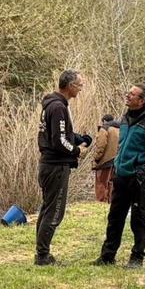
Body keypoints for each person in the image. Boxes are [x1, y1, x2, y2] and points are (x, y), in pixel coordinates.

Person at [94, 84, 145, 267]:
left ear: (142, 101)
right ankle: (107, 255)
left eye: (132, 94)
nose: (128, 96)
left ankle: (137, 256)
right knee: (115, 216)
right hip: (121, 175)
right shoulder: (124, 118)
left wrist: (142, 174)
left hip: (138, 178)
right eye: (128, 93)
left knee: (138, 218)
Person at [35, 69, 91, 266]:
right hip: (55, 166)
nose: (81, 89)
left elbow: (61, 133)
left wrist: (79, 138)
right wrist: (77, 150)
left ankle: (42, 253)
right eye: (80, 85)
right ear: (70, 86)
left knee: (47, 208)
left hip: (49, 164)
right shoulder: (58, 107)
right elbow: (58, 140)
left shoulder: (52, 105)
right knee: (54, 211)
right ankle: (42, 256)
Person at [89, 114, 120, 203]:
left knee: (101, 183)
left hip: (105, 161)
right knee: (111, 183)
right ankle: (110, 202)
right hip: (117, 161)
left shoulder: (105, 128)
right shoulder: (120, 128)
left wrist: (96, 158)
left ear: (104, 121)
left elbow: (101, 146)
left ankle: (101, 202)